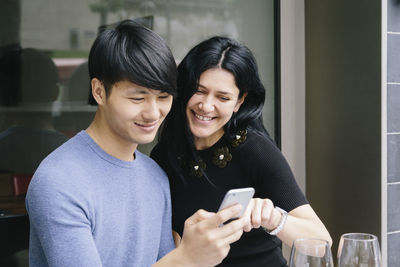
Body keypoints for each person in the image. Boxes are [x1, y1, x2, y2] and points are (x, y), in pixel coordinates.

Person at [26, 21, 246, 267]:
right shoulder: (59, 180)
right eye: (138, 98)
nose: (153, 113)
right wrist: (185, 258)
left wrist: (190, 250)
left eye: (163, 97)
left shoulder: (155, 175)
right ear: (99, 92)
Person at [151, 36, 332, 266]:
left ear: (239, 102)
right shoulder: (164, 155)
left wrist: (274, 218)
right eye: (199, 91)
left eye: (223, 97)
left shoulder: (254, 149)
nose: (206, 106)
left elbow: (321, 241)